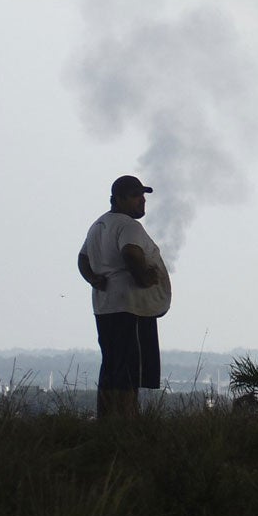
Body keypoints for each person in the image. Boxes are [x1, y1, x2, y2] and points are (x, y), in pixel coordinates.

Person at [76, 175, 170, 419]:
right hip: (131, 306)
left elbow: (82, 259)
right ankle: (126, 420)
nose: (142, 201)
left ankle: (107, 418)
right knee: (130, 368)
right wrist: (143, 279)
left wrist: (93, 279)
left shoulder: (98, 225)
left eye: (143, 195)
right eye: (136, 196)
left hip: (105, 305)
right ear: (118, 199)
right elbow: (131, 252)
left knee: (111, 365)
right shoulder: (129, 226)